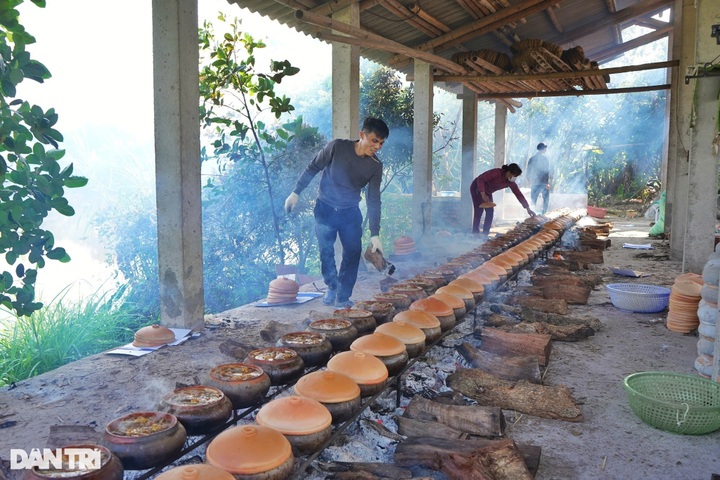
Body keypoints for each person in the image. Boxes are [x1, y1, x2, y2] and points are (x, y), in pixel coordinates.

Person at [284, 117, 389, 308]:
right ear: (362, 135)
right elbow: (313, 166)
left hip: (350, 213)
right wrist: (295, 192)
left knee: (353, 253)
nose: (378, 146)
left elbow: (374, 199)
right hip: (325, 209)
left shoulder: (375, 166)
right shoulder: (337, 147)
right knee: (326, 251)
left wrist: (375, 234)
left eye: (381, 143)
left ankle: (343, 296)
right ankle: (332, 287)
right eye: (374, 141)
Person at [470, 163, 535, 235]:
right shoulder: (497, 173)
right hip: (477, 187)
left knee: (490, 212)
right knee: (479, 211)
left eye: (516, 176)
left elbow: (518, 194)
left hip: (488, 192)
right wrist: (483, 194)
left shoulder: (510, 183)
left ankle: (485, 234)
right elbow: (480, 179)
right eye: (514, 175)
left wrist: (527, 208)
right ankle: (475, 234)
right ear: (509, 172)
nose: (514, 178)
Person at [526, 142, 551, 215]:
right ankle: (544, 214)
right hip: (543, 183)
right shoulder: (545, 158)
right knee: (546, 199)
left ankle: (533, 215)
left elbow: (528, 171)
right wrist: (547, 183)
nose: (546, 150)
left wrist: (528, 180)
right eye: (545, 148)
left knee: (533, 200)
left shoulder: (532, 158)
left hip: (534, 182)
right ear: (543, 149)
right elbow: (546, 171)